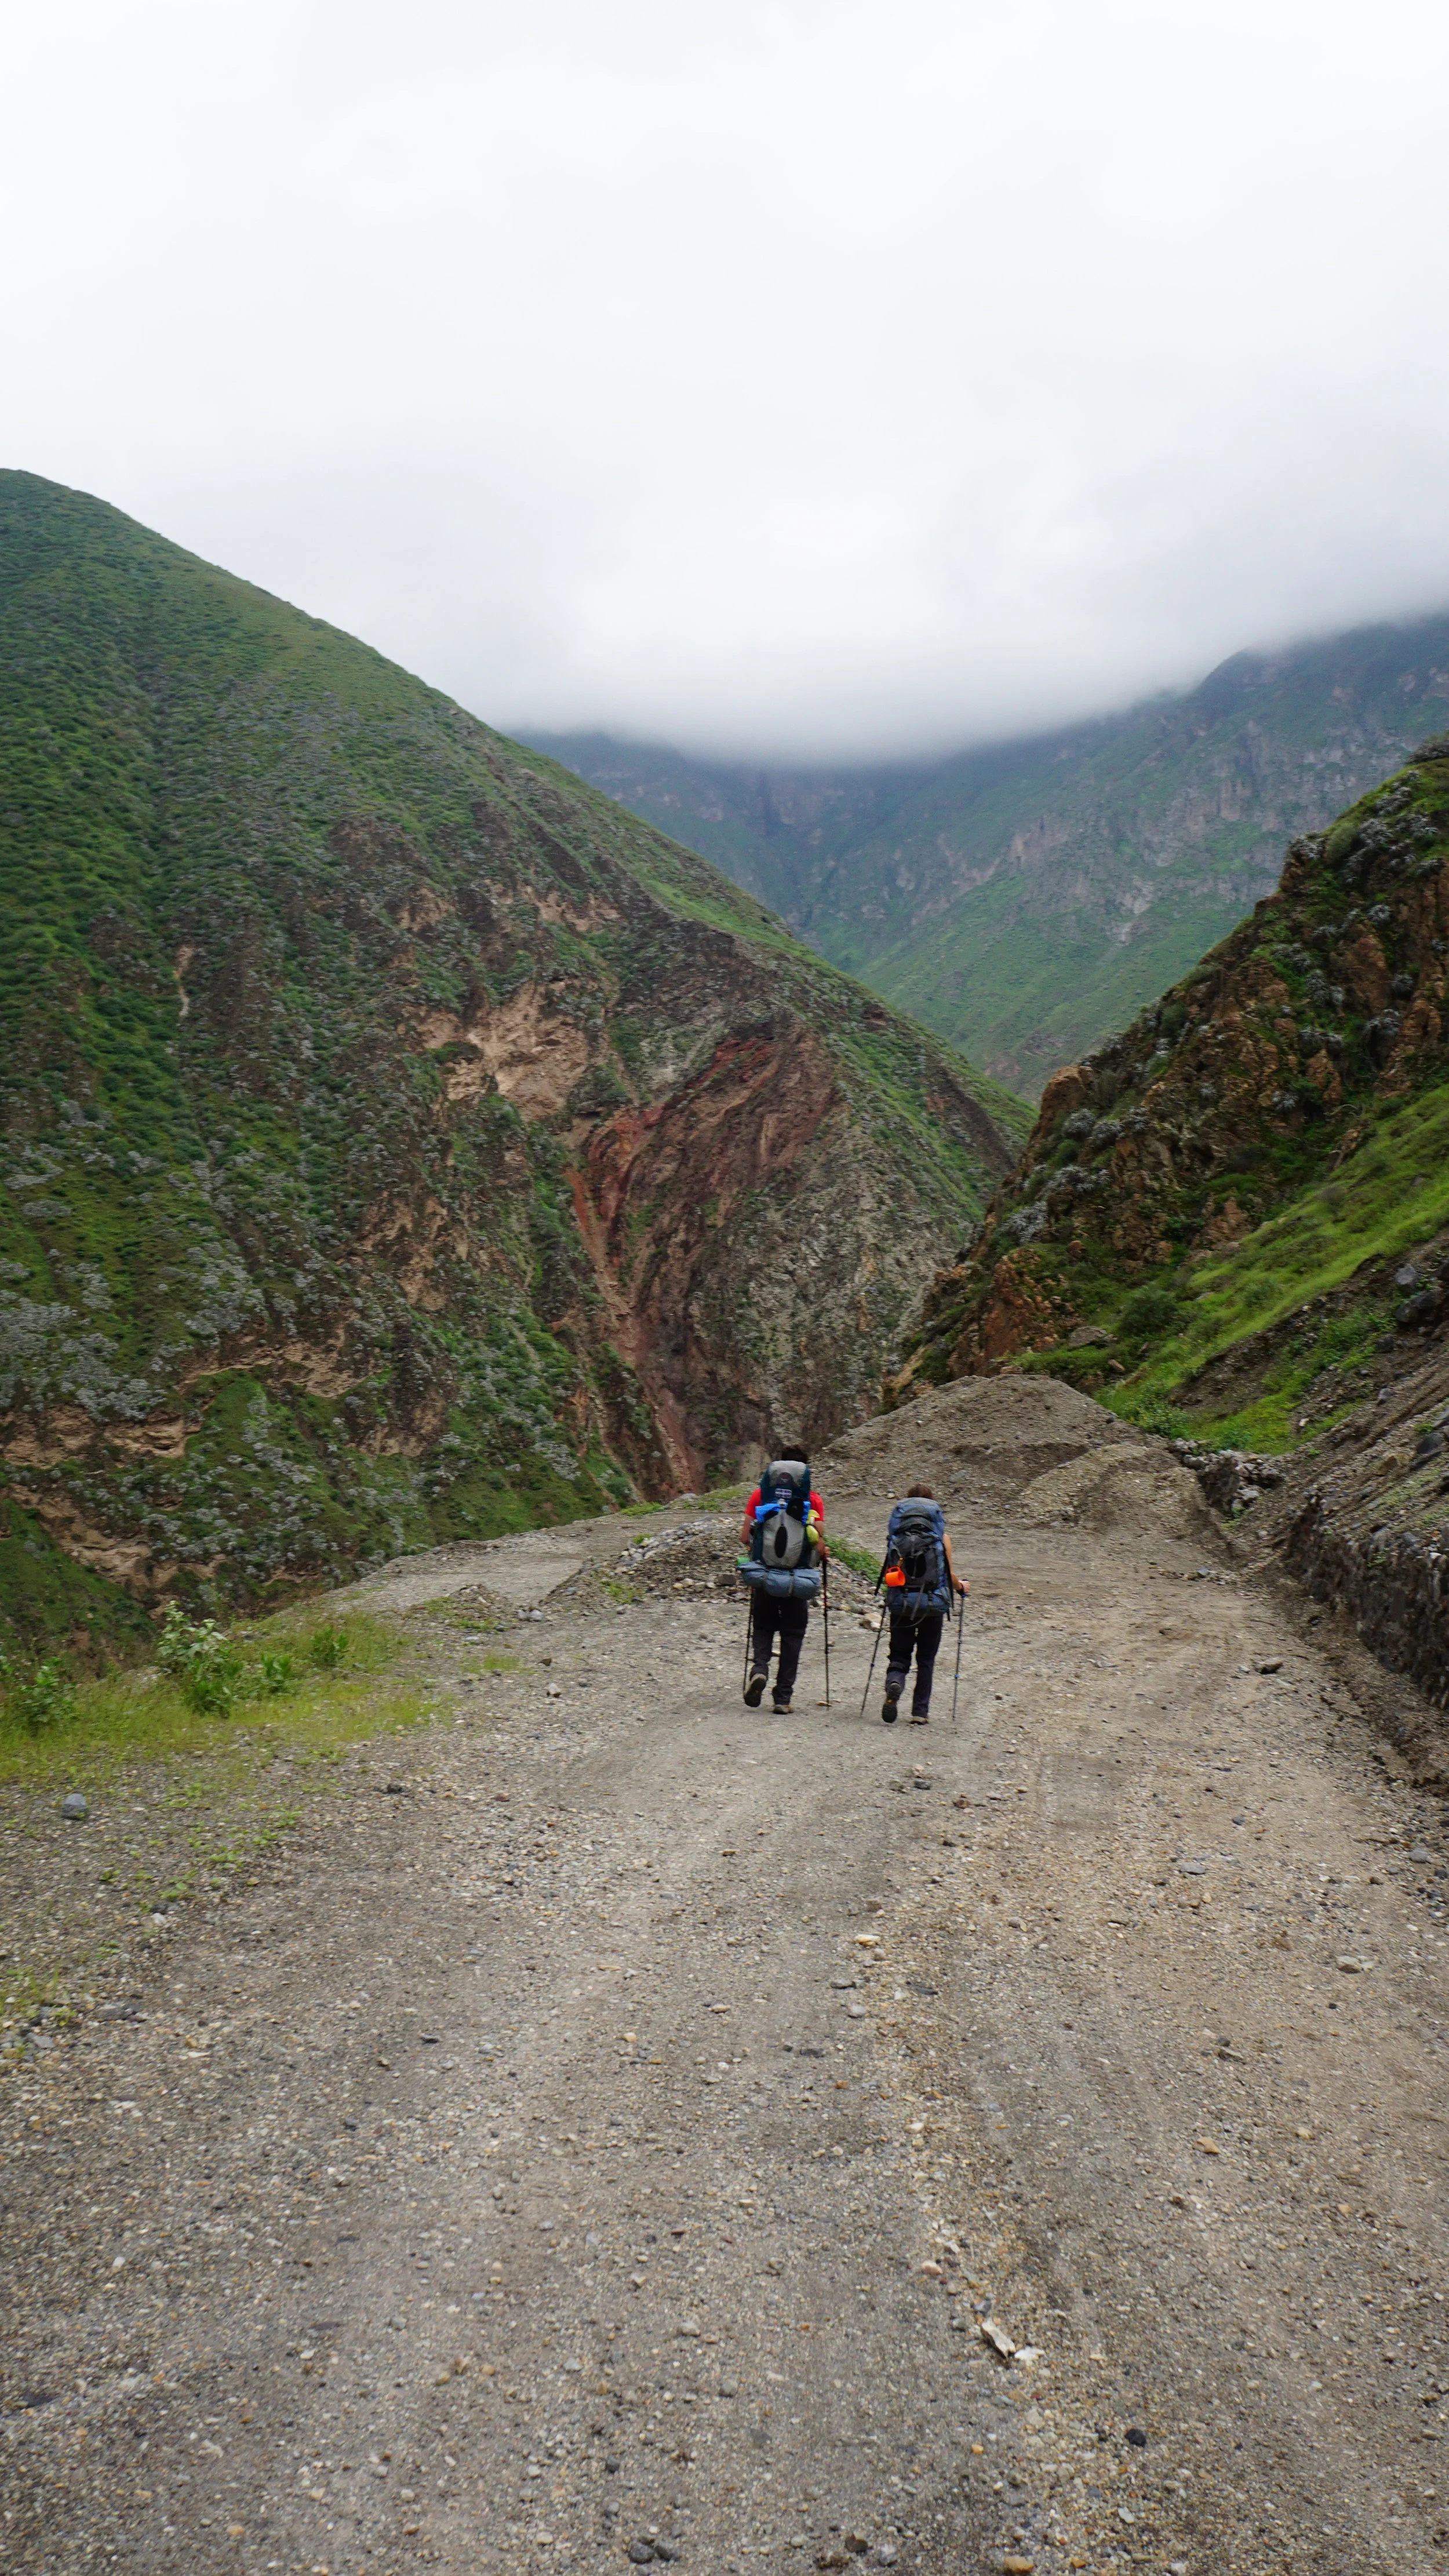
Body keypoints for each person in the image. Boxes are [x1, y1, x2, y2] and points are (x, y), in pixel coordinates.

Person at [739, 1453, 827, 1714]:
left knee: (764, 1626)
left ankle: (760, 1669)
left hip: (765, 1577)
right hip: (797, 1580)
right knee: (793, 1635)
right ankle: (783, 1698)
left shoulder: (761, 1496)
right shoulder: (812, 1500)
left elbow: (745, 1537)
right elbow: (819, 1544)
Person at [879, 1483, 966, 1725]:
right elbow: (948, 1575)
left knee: (899, 1654)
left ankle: (895, 1682)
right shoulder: (941, 1538)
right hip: (932, 1602)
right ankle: (920, 1712)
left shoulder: (897, 1537)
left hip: (901, 1600)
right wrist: (962, 1588)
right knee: (926, 1658)